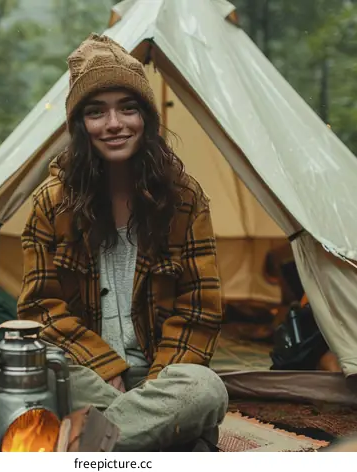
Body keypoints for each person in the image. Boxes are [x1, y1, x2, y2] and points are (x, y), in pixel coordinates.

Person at [17, 33, 228, 452]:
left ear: (146, 118)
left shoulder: (184, 199)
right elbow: (41, 309)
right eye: (96, 112)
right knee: (36, 369)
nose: (114, 124)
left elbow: (198, 311)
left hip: (160, 377)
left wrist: (153, 385)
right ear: (80, 125)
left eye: (127, 108)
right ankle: (161, 439)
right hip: (84, 376)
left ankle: (82, 446)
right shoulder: (50, 203)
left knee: (205, 388)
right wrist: (102, 363)